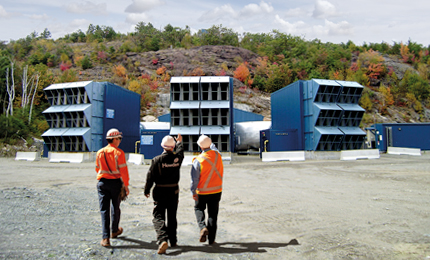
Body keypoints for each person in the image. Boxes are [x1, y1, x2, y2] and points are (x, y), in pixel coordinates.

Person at [144, 134, 184, 254]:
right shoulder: (178, 158)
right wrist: (179, 142)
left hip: (160, 190)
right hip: (173, 190)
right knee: (172, 216)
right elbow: (181, 152)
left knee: (158, 215)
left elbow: (150, 177)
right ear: (173, 147)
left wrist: (147, 190)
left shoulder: (157, 160)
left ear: (162, 146)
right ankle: (173, 240)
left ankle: (162, 239)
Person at [95, 128, 130, 247]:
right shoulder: (119, 153)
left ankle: (105, 238)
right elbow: (124, 171)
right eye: (119, 138)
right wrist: (126, 186)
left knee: (104, 210)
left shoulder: (100, 152)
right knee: (116, 207)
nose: (120, 141)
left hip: (102, 183)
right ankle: (114, 231)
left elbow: (97, 168)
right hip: (115, 183)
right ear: (114, 139)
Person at [190, 135, 224, 245]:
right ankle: (212, 240)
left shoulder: (198, 160)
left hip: (202, 191)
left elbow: (194, 179)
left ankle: (202, 227)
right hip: (216, 190)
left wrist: (193, 191)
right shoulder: (218, 155)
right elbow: (213, 147)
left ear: (199, 146)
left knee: (199, 208)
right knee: (213, 215)